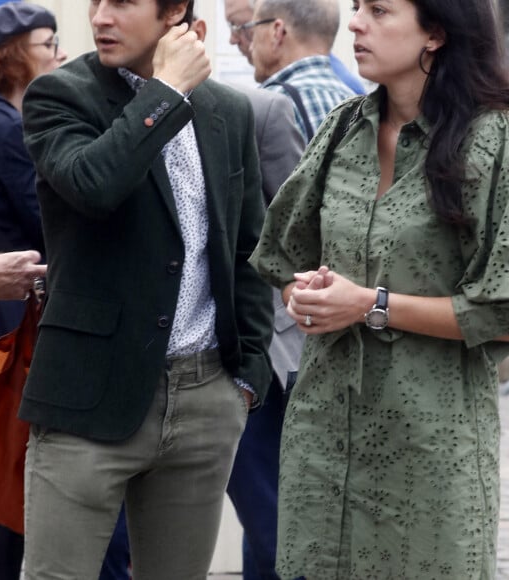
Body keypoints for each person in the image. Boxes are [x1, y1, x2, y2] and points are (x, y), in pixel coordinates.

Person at [249, 0, 509, 578]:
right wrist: (311, 295)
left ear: (437, 32)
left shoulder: (494, 141)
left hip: (428, 448)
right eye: (358, 8)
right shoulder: (342, 129)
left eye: (381, 11)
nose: (358, 24)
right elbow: (285, 257)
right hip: (322, 442)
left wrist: (371, 305)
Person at [20, 0, 273, 578]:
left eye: (123, 2)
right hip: (89, 392)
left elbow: (248, 247)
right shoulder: (60, 95)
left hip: (207, 393)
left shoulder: (230, 112)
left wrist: (246, 375)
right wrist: (165, 92)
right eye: (96, 2)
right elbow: (93, 186)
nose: (101, 17)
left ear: (174, 13)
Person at [193, 14, 306, 580]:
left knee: (270, 520)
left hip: (251, 357)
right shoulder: (104, 119)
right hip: (154, 365)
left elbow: (299, 236)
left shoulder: (261, 110)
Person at [0, 4, 66, 579]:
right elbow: (47, 224)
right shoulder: (4, 127)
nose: (60, 56)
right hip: (4, 327)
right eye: (48, 44)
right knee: (10, 495)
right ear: (11, 58)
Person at [248, 0, 356, 141]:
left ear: (277, 32)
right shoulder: (356, 103)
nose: (251, 46)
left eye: (253, 30)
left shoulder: (267, 106)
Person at [224, 0, 366, 96]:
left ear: (277, 32)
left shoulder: (268, 106)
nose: (232, 39)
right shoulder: (352, 94)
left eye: (249, 27)